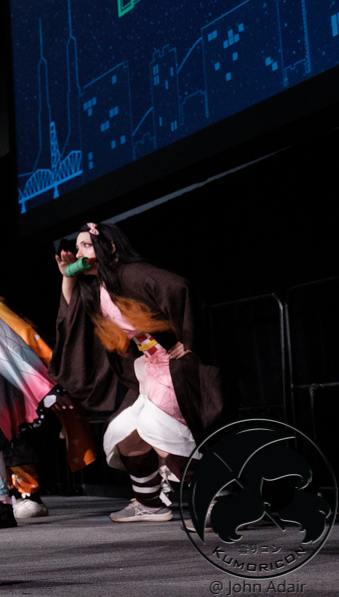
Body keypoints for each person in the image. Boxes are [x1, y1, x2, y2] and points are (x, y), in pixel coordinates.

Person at [50, 222, 237, 522]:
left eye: (87, 245)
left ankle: (219, 501)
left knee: (160, 430)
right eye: (78, 247)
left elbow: (180, 288)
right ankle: (149, 502)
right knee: (124, 433)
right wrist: (67, 278)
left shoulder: (132, 274)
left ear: (110, 247)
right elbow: (73, 321)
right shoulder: (101, 288)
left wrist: (188, 340)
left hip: (175, 367)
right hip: (151, 368)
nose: (80, 253)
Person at [0, 250, 96, 523]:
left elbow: (20, 336)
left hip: (9, 378)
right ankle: (7, 493)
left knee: (14, 436)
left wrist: (43, 381)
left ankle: (28, 493)